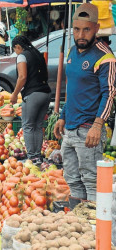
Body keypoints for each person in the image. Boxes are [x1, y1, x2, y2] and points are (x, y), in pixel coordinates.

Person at [53, 3, 116, 206]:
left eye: (86, 29)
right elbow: (72, 90)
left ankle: (94, 228)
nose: (81, 34)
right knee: (72, 179)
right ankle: (80, 224)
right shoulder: (72, 51)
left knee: (91, 181)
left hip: (89, 130)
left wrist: (98, 125)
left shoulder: (105, 56)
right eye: (77, 29)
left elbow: (110, 93)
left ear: (96, 29)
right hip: (70, 129)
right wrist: (62, 116)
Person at [10, 35, 51, 164]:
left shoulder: (22, 56)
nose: (16, 52)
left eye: (15, 50)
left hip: (32, 94)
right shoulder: (38, 54)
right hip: (46, 92)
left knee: (27, 125)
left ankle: (32, 157)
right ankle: (38, 156)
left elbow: (22, 77)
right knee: (38, 125)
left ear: (18, 47)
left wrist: (15, 94)